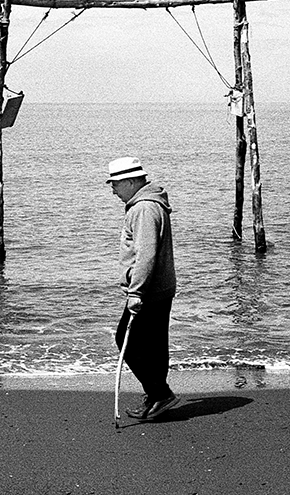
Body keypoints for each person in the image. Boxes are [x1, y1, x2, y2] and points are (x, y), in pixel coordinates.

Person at [107, 156, 179, 421]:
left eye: (114, 184)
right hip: (159, 287)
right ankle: (156, 397)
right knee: (153, 346)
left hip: (149, 290)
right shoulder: (149, 204)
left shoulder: (144, 209)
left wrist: (136, 292)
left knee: (128, 342)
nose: (112, 189)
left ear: (130, 181)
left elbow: (146, 254)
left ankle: (160, 394)